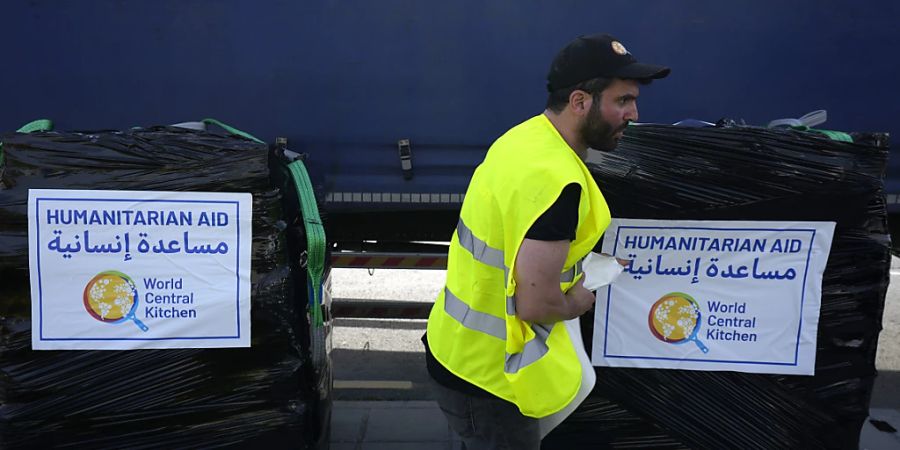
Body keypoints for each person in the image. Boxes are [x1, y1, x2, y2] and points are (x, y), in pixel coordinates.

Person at [422, 33, 669, 449]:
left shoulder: (525, 138)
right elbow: (536, 305)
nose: (634, 113)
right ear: (580, 101)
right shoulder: (558, 183)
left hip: (458, 351)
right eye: (622, 101)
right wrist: (579, 299)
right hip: (490, 380)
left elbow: (517, 241)